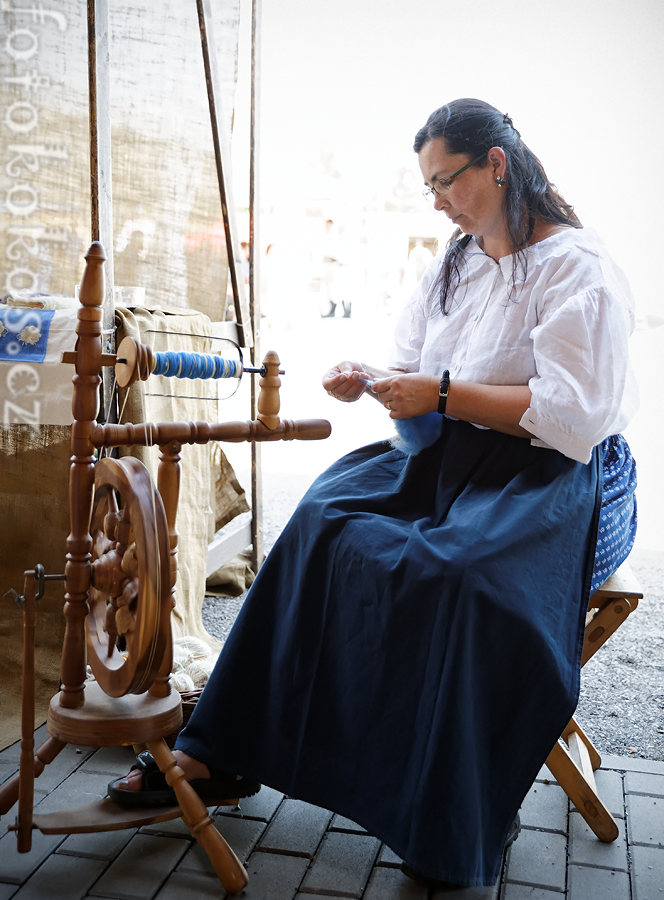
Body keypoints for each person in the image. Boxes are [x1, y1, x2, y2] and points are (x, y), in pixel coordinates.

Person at [108, 98, 638, 889]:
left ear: (496, 162)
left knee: (457, 581)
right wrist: (375, 380)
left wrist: (443, 393)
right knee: (323, 523)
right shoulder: (454, 262)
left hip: (559, 476)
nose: (438, 202)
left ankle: (444, 816)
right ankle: (221, 750)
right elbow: (420, 370)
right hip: (451, 456)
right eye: (428, 188)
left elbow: (569, 417)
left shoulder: (576, 268)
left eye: (446, 181)